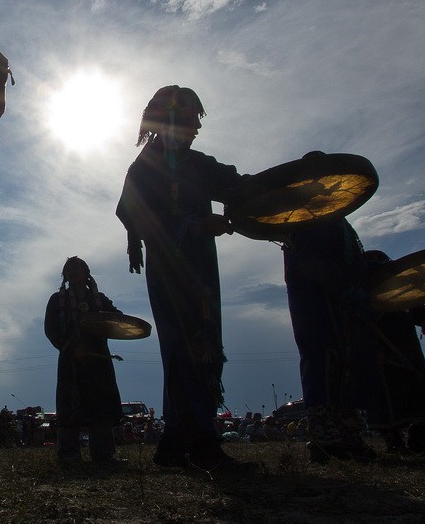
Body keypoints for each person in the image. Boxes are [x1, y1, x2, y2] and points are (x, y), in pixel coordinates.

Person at [115, 86, 252, 473]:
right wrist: (192, 224)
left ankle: (175, 444)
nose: (195, 128)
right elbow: (133, 213)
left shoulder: (198, 164)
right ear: (168, 121)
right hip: (171, 267)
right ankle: (202, 445)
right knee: (186, 349)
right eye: (188, 120)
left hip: (202, 265)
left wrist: (274, 194)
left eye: (197, 121)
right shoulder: (145, 166)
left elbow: (237, 184)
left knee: (205, 344)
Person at [281, 207, 379, 463]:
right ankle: (325, 440)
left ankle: (348, 437)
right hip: (317, 305)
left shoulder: (338, 221)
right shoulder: (305, 218)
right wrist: (343, 287)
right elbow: (310, 262)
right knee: (323, 365)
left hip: (342, 304)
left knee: (347, 368)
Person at [43, 256, 127, 469]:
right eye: (69, 268)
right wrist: (69, 346)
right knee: (69, 405)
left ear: (87, 273)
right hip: (71, 359)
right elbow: (51, 329)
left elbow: (116, 319)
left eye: (78, 267)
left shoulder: (99, 299)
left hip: (98, 361)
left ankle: (104, 454)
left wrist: (106, 321)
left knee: (100, 405)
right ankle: (69, 454)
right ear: (65, 275)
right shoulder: (57, 300)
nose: (74, 271)